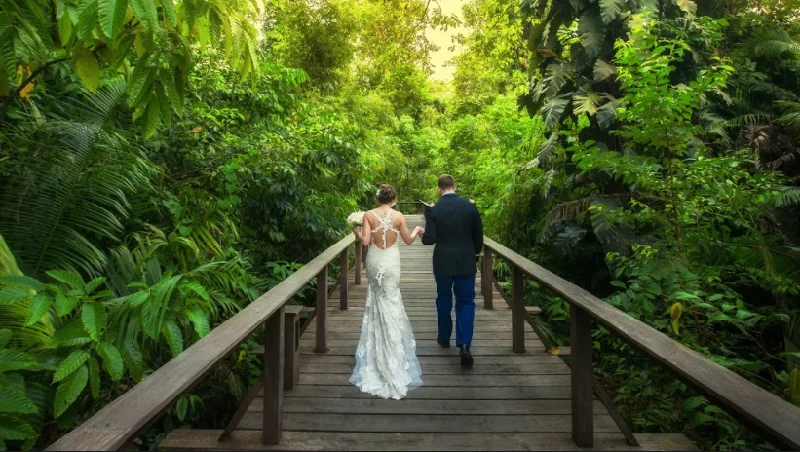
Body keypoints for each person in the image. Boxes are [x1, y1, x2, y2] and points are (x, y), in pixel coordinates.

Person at [349, 184, 425, 399]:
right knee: (391, 300)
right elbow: (408, 241)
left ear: (377, 199)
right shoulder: (399, 215)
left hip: (374, 260)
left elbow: (364, 241)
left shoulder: (368, 215)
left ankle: (377, 350)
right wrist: (418, 230)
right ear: (393, 198)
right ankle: (394, 351)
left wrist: (353, 228)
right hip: (391, 262)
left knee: (376, 299)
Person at [422, 174, 484, 367]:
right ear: (454, 187)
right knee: (466, 302)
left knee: (443, 299)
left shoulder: (434, 210)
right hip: (465, 262)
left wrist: (423, 234)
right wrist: (473, 254)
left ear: (439, 189)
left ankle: (443, 337)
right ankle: (464, 344)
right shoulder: (470, 207)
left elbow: (429, 239)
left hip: (442, 263)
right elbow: (478, 238)